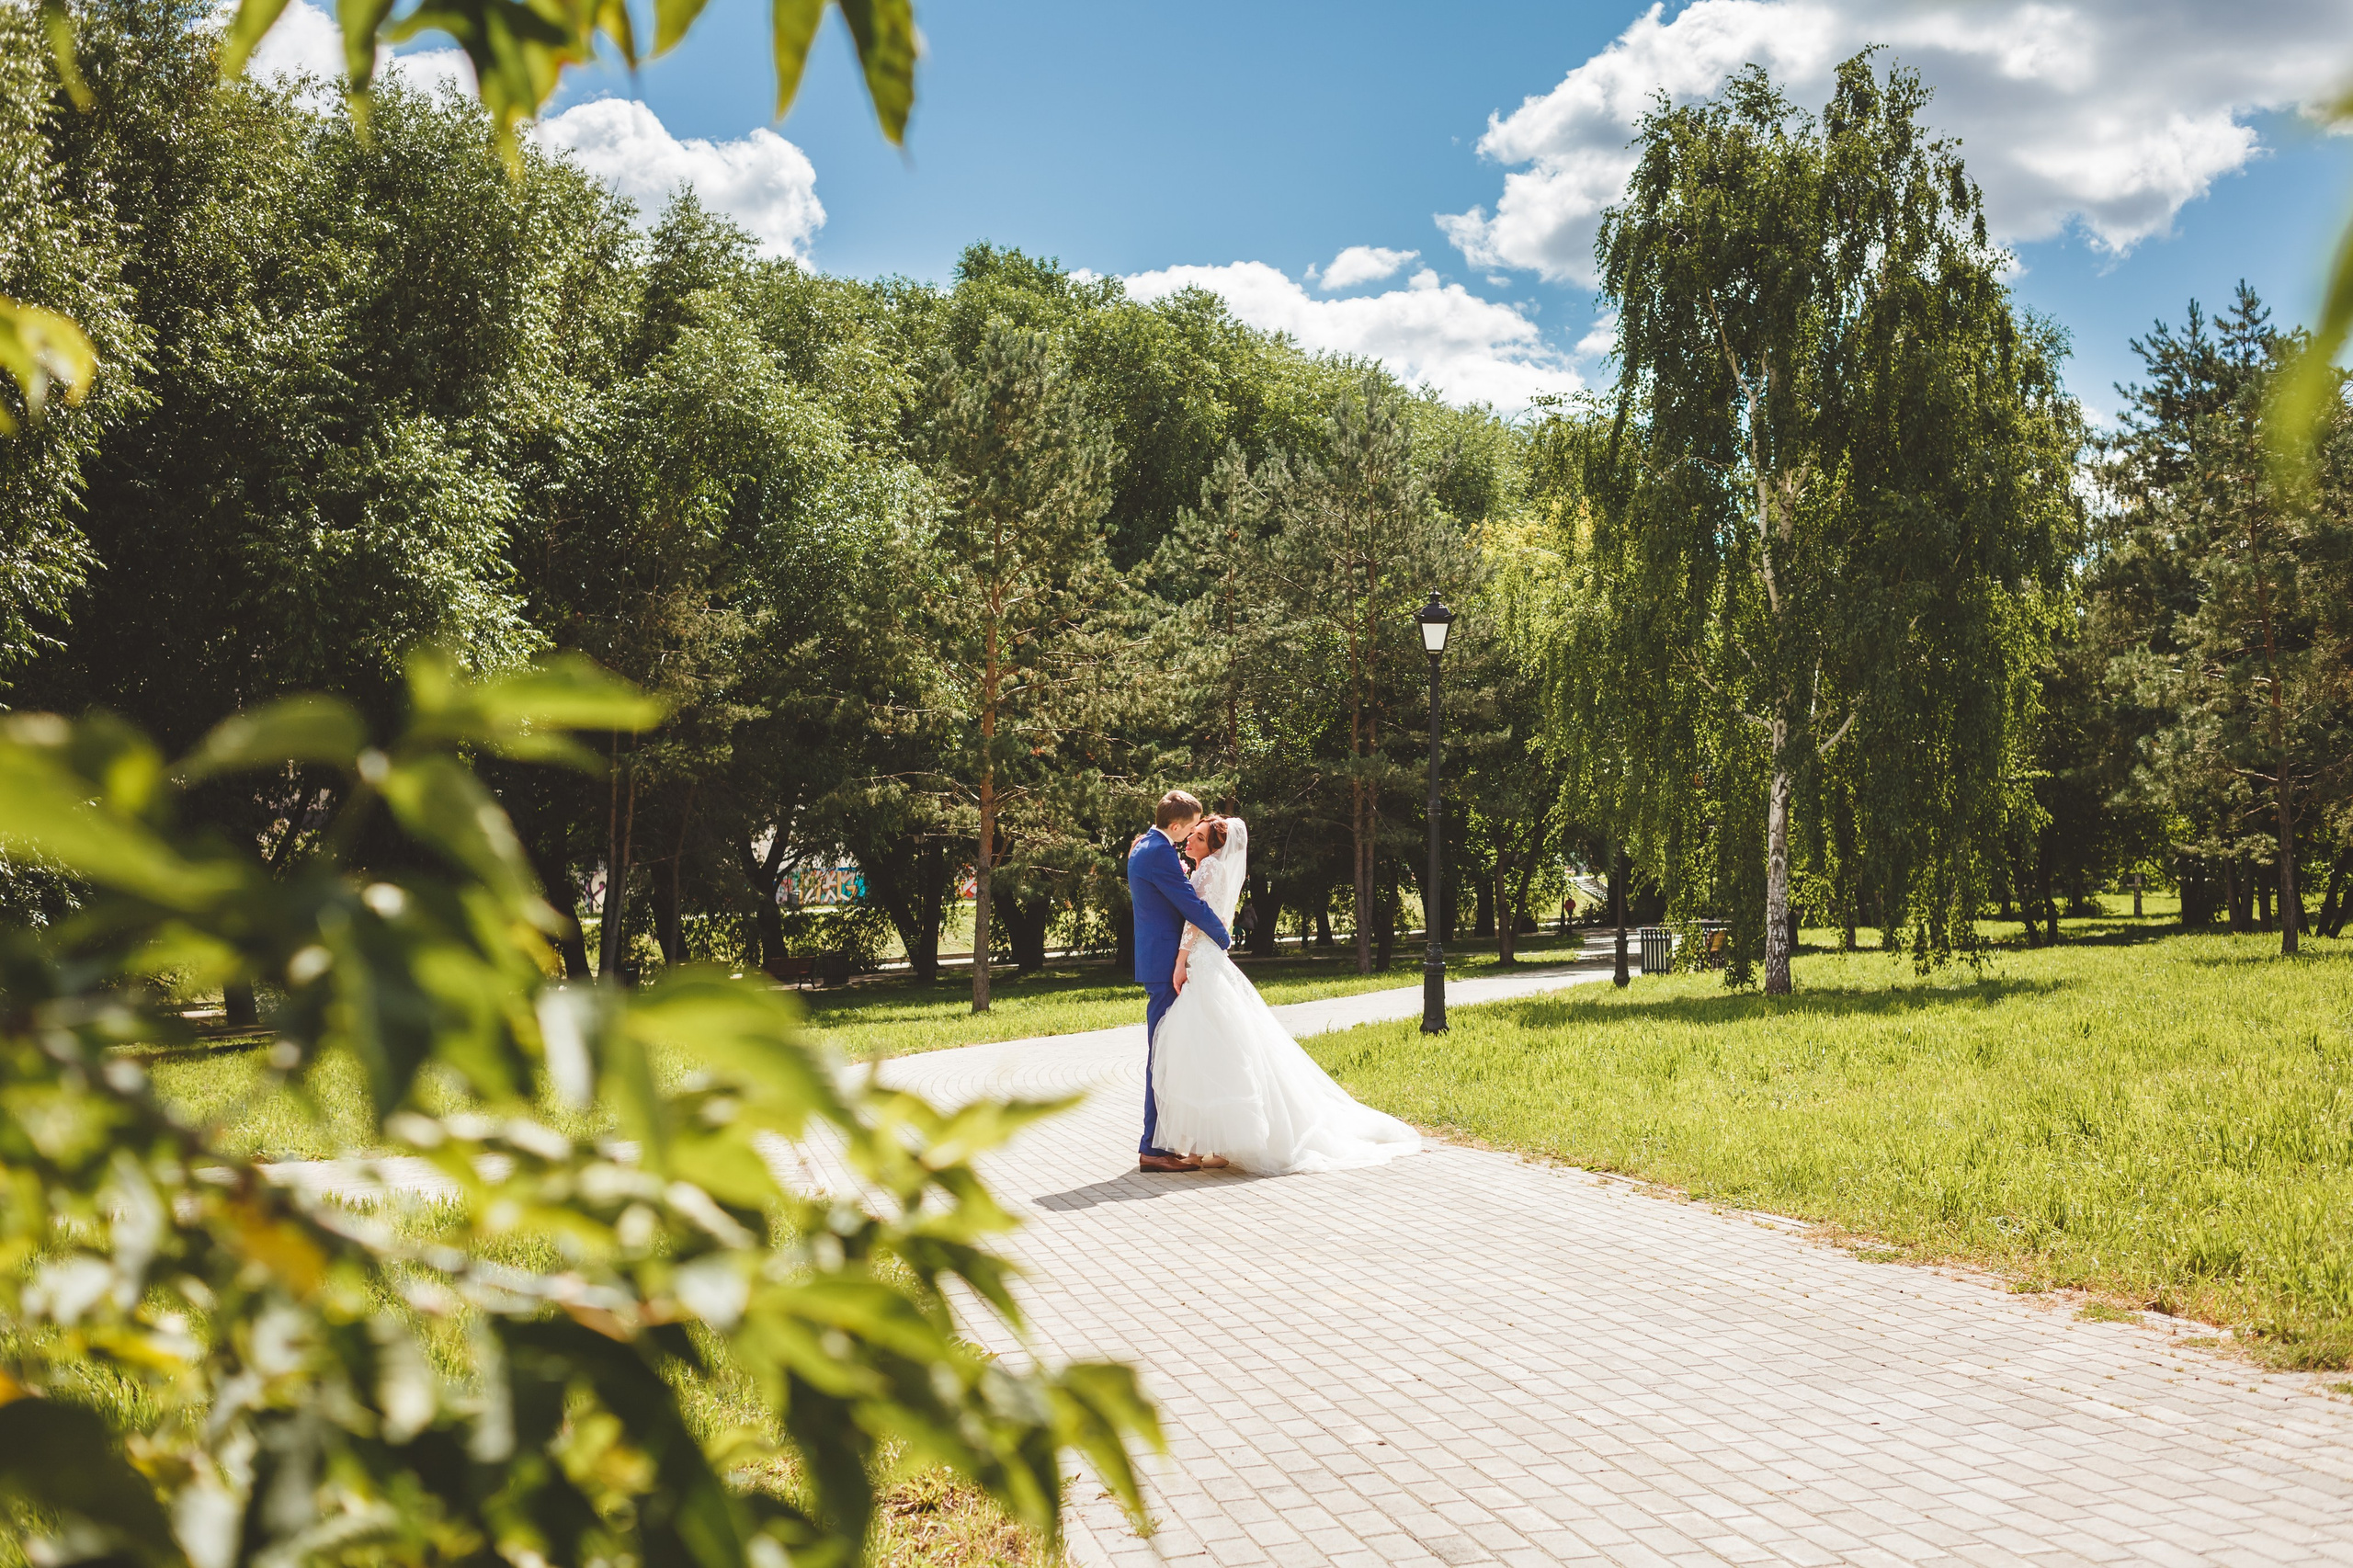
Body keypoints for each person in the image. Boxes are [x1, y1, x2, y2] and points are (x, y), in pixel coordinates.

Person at [1152, 812, 1422, 1176]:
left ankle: (1200, 1150)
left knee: (1203, 1051)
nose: (1190, 842)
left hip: (1201, 961)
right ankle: (1211, 1146)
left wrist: (1181, 960)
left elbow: (1195, 918)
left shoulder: (1209, 870)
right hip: (1210, 961)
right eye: (1192, 836)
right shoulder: (1210, 869)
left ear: (1213, 847)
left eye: (1198, 838)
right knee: (1214, 1051)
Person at [1126, 790, 1233, 1173]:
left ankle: (1161, 1143)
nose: (1189, 836)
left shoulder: (1146, 845)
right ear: (1175, 825)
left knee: (1168, 1054)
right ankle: (1153, 1148)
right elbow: (1188, 902)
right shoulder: (1157, 851)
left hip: (1157, 959)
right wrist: (1223, 937)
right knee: (1163, 1057)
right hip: (1164, 965)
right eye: (1189, 828)